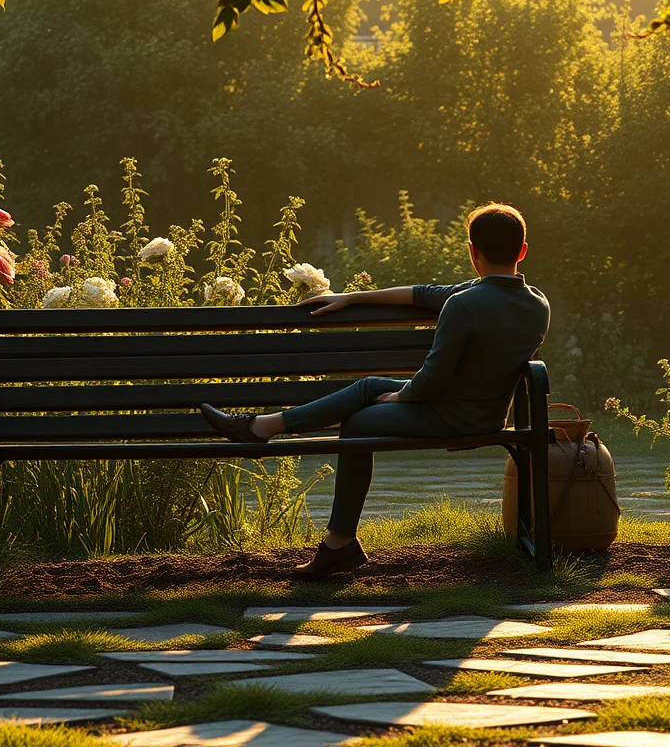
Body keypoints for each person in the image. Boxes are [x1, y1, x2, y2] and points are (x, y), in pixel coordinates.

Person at [200, 203, 550, 578]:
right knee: (368, 387)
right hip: (485, 411)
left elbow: (433, 375)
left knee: (358, 424)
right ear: (523, 250)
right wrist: (353, 297)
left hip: (451, 414)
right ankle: (264, 427)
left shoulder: (464, 305)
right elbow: (425, 294)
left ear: (471, 251)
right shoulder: (537, 304)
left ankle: (338, 542)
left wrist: (403, 395)